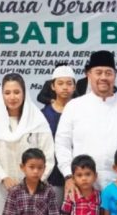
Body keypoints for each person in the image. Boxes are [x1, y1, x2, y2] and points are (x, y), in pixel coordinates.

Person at [56, 50, 117, 194]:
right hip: (83, 187)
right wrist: (68, 175)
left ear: (115, 75)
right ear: (89, 74)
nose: (103, 77)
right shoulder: (74, 106)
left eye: (108, 73)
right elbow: (62, 144)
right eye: (98, 72)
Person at [0, 74, 55, 215]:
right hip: (0, 186)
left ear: (24, 93)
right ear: (1, 94)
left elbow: (48, 155)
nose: (12, 97)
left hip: (33, 188)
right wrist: (3, 177)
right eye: (7, 93)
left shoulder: (37, 121)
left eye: (17, 92)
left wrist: (34, 181)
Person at [41, 65, 75, 203]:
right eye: (60, 83)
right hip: (52, 175)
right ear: (53, 86)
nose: (65, 87)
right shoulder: (43, 114)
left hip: (78, 174)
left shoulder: (82, 111)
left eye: (69, 83)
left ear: (74, 86)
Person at [1, 148, 59, 215]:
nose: (36, 171)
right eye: (31, 167)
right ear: (22, 167)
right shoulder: (14, 192)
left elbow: (54, 212)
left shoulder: (49, 191)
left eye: (40, 168)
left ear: (44, 168)